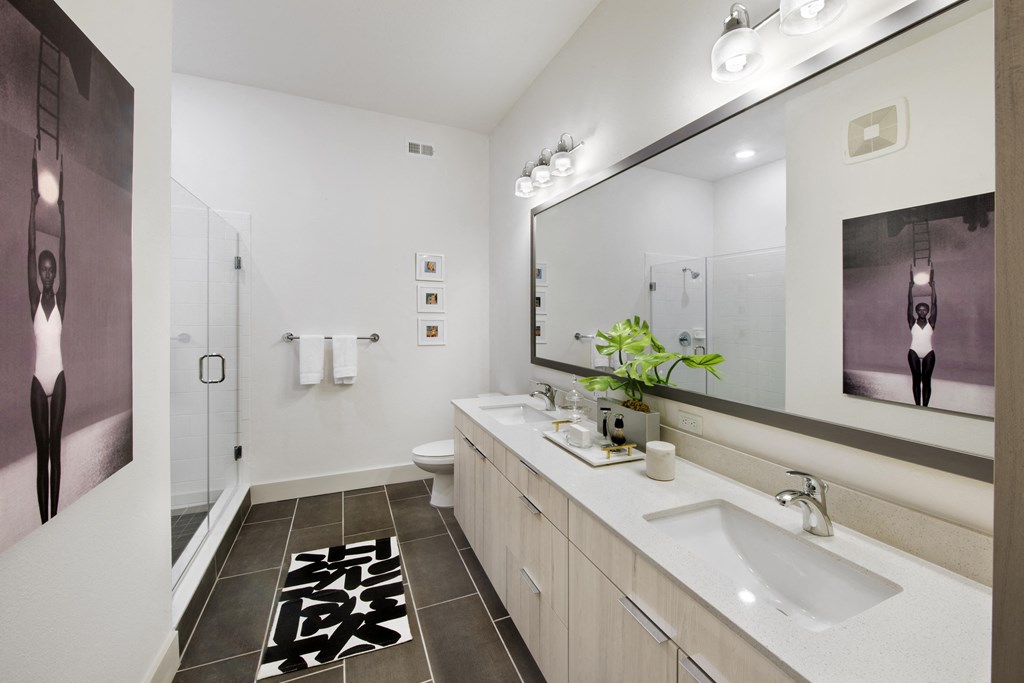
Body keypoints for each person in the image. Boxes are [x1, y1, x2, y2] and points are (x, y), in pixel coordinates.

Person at [28, 150, 67, 523]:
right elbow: (28, 250)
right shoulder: (33, 300)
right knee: (42, 455)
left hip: (59, 375)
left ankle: (56, 515)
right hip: (40, 380)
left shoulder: (62, 300)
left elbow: (66, 252)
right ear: (39, 274)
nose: (49, 273)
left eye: (52, 267)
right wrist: (31, 207)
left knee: (56, 449)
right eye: (44, 269)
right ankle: (45, 522)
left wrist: (63, 213)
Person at [907, 263, 937, 407]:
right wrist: (910, 285)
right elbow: (910, 302)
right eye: (920, 310)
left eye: (925, 310)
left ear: (928, 311)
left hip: (929, 353)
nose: (923, 312)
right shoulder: (911, 321)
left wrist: (933, 286)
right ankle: (917, 406)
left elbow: (935, 304)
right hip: (913, 352)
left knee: (926, 381)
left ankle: (925, 407)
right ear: (917, 312)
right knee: (916, 379)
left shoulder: (932, 322)